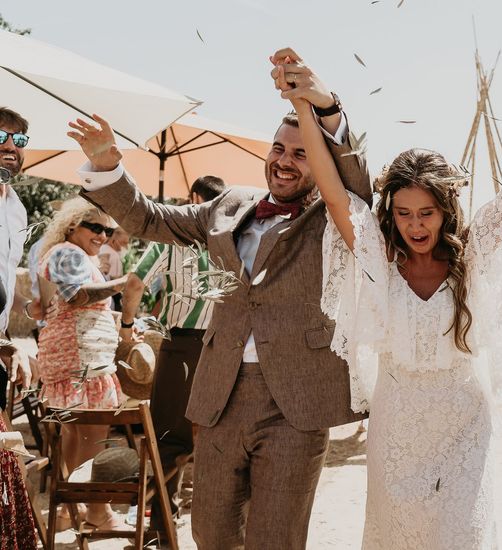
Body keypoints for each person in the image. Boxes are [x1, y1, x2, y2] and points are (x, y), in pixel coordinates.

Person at [276, 47, 502, 548]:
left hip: (465, 425)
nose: (414, 225)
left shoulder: (474, 253)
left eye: (426, 212)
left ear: (445, 210)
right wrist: (302, 107)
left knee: (461, 535)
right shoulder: (379, 258)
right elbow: (335, 192)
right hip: (396, 426)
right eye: (403, 213)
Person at [67, 51, 371, 549]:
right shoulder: (230, 204)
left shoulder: (337, 215)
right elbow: (150, 219)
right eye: (278, 148)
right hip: (221, 394)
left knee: (276, 537)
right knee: (210, 532)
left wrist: (325, 103)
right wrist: (108, 166)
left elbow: (356, 181)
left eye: (300, 153)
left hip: (295, 401)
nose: (284, 161)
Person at [119, 174, 226, 535]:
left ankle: (160, 528)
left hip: (184, 346)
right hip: (230, 346)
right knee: (223, 435)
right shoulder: (236, 234)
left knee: (170, 438)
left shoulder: (172, 234)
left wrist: (126, 325)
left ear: (194, 197)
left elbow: (134, 284)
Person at [37, 197, 128, 530]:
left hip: (76, 355)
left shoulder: (67, 253)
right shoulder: (68, 253)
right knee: (93, 434)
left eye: (108, 229)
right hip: (82, 358)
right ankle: (96, 512)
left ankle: (68, 512)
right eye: (95, 227)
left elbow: (55, 302)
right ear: (72, 225)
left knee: (77, 434)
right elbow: (76, 296)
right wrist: (123, 284)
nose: (103, 235)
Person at [0, 106, 37, 550]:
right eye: (1, 137)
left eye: (19, 140)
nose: (10, 147)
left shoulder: (17, 209)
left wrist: (7, 342)